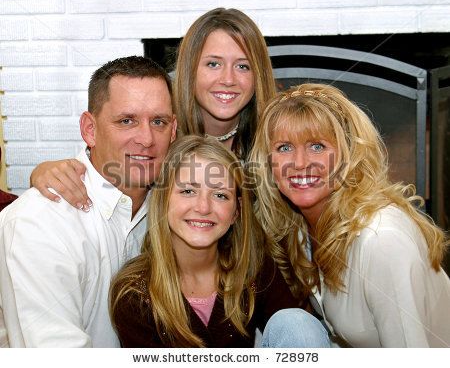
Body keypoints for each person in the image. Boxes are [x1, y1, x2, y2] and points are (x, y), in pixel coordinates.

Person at [249, 83, 450, 347]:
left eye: (317, 146)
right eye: (284, 148)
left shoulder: (382, 241)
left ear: (349, 155)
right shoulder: (299, 230)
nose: (299, 163)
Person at [0, 56, 177, 347]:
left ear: (173, 131)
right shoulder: (38, 222)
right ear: (90, 130)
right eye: (127, 121)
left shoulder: (176, 211)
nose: (146, 138)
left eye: (158, 121)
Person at [28, 7, 276, 209]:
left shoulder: (274, 140)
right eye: (213, 64)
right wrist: (44, 171)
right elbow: (104, 168)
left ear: (259, 75)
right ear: (190, 70)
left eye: (243, 66)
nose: (228, 79)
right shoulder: (158, 135)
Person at [109, 135, 328, 347]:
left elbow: (298, 337)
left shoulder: (254, 268)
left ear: (236, 212)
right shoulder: (134, 292)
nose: (203, 207)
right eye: (187, 191)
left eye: (220, 195)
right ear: (162, 201)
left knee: (299, 324)